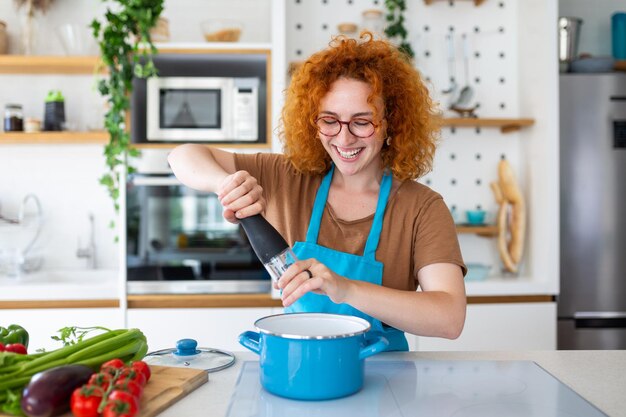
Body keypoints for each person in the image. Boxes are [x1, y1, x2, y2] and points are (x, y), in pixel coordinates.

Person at [168, 33, 466, 351]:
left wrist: (345, 288)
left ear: (391, 123)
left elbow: (449, 318)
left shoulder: (421, 208)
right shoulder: (287, 177)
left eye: (362, 122)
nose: (344, 138)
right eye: (330, 120)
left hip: (388, 377)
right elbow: (182, 155)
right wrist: (224, 184)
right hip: (301, 367)